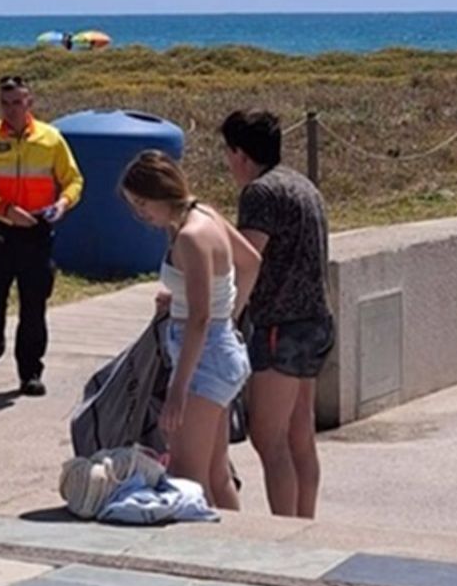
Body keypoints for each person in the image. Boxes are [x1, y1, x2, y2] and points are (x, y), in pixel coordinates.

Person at [123, 151, 259, 511]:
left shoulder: (190, 237)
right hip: (218, 348)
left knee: (186, 474)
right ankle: (239, 547)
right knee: (217, 474)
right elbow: (250, 264)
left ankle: (198, 556)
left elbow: (200, 317)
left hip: (203, 358)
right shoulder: (207, 214)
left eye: (142, 203)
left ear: (161, 192)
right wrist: (226, 314)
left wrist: (177, 391)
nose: (140, 214)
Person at [222, 110, 333, 519]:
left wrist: (225, 311)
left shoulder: (260, 193)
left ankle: (284, 532)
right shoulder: (302, 184)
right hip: (316, 322)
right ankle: (305, 522)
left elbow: (246, 258)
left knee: (269, 438)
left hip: (280, 327)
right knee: (300, 434)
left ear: (240, 154)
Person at [0, 75, 84, 396]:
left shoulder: (51, 138)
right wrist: (4, 209)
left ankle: (30, 371)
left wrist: (63, 203)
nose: (11, 110)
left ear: (29, 102)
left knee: (34, 305)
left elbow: (74, 180)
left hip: (36, 231)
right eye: (5, 103)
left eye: (18, 103)